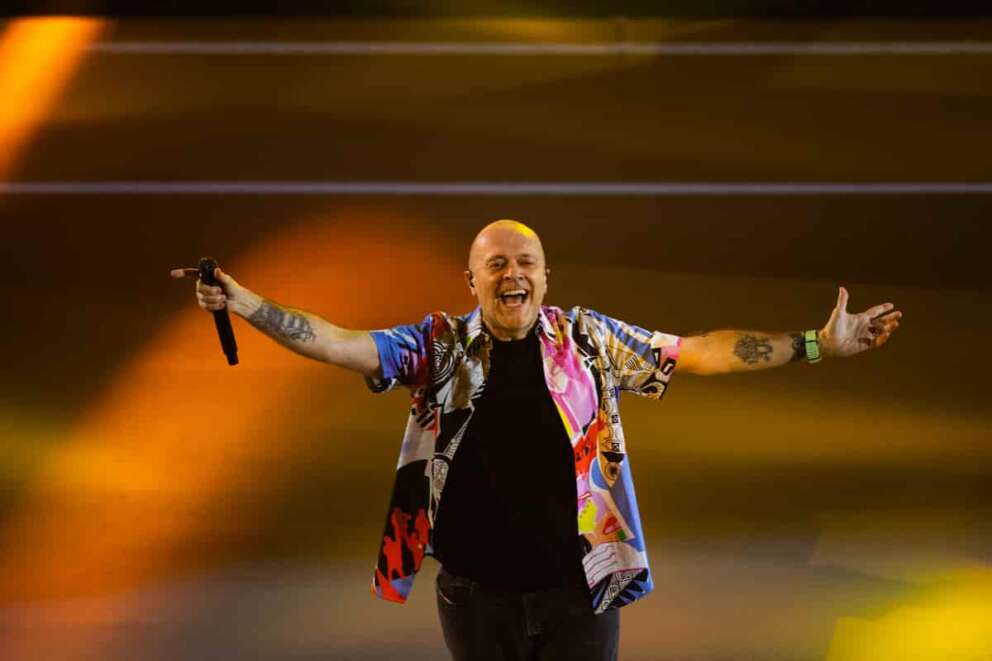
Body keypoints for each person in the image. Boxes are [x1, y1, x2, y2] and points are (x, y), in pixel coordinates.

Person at [171, 219, 901, 661]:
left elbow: (703, 350)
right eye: (497, 263)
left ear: (546, 277)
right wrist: (246, 302)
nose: (512, 272)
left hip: (579, 592)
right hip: (474, 595)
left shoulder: (589, 339)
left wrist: (816, 345)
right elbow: (337, 342)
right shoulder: (437, 345)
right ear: (473, 279)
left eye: (525, 262)